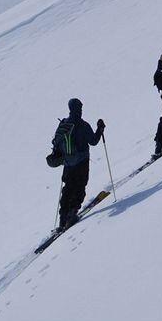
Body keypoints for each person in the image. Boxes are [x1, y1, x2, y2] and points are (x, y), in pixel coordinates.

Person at [45, 97, 105, 230]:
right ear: (79, 109)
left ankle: (63, 217)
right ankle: (72, 212)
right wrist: (100, 129)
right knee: (80, 186)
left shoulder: (64, 124)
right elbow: (93, 141)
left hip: (67, 162)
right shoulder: (83, 125)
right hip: (81, 161)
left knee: (67, 188)